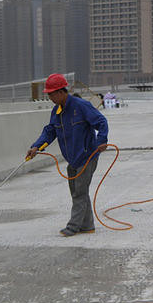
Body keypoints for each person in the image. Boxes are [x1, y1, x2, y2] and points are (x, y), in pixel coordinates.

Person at [26, 73, 109, 237]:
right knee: (78, 192)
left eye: (51, 94)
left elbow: (101, 121)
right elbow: (50, 131)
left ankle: (73, 226)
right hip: (72, 159)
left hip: (87, 156)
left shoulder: (81, 106)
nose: (49, 97)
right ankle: (87, 225)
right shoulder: (56, 111)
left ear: (61, 92)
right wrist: (36, 146)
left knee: (79, 192)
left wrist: (102, 140)